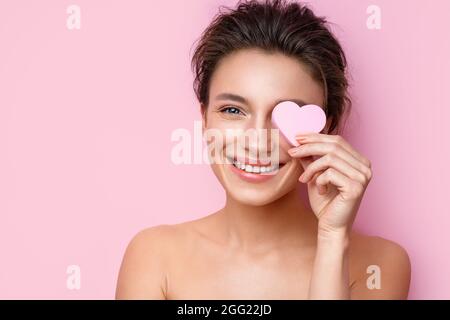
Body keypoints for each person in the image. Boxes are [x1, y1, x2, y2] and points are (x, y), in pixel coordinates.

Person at [116, 0, 411, 299]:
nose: (257, 142)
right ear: (204, 118)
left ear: (325, 130)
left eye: (284, 116)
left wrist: (333, 239)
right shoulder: (154, 257)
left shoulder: (379, 264)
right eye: (233, 110)